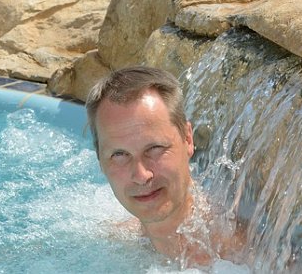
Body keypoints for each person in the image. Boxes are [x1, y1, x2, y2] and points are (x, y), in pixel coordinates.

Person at [86, 65, 241, 267]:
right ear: (100, 160)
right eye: (120, 154)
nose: (141, 175)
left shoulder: (247, 256)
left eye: (154, 148)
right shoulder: (110, 242)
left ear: (188, 139)